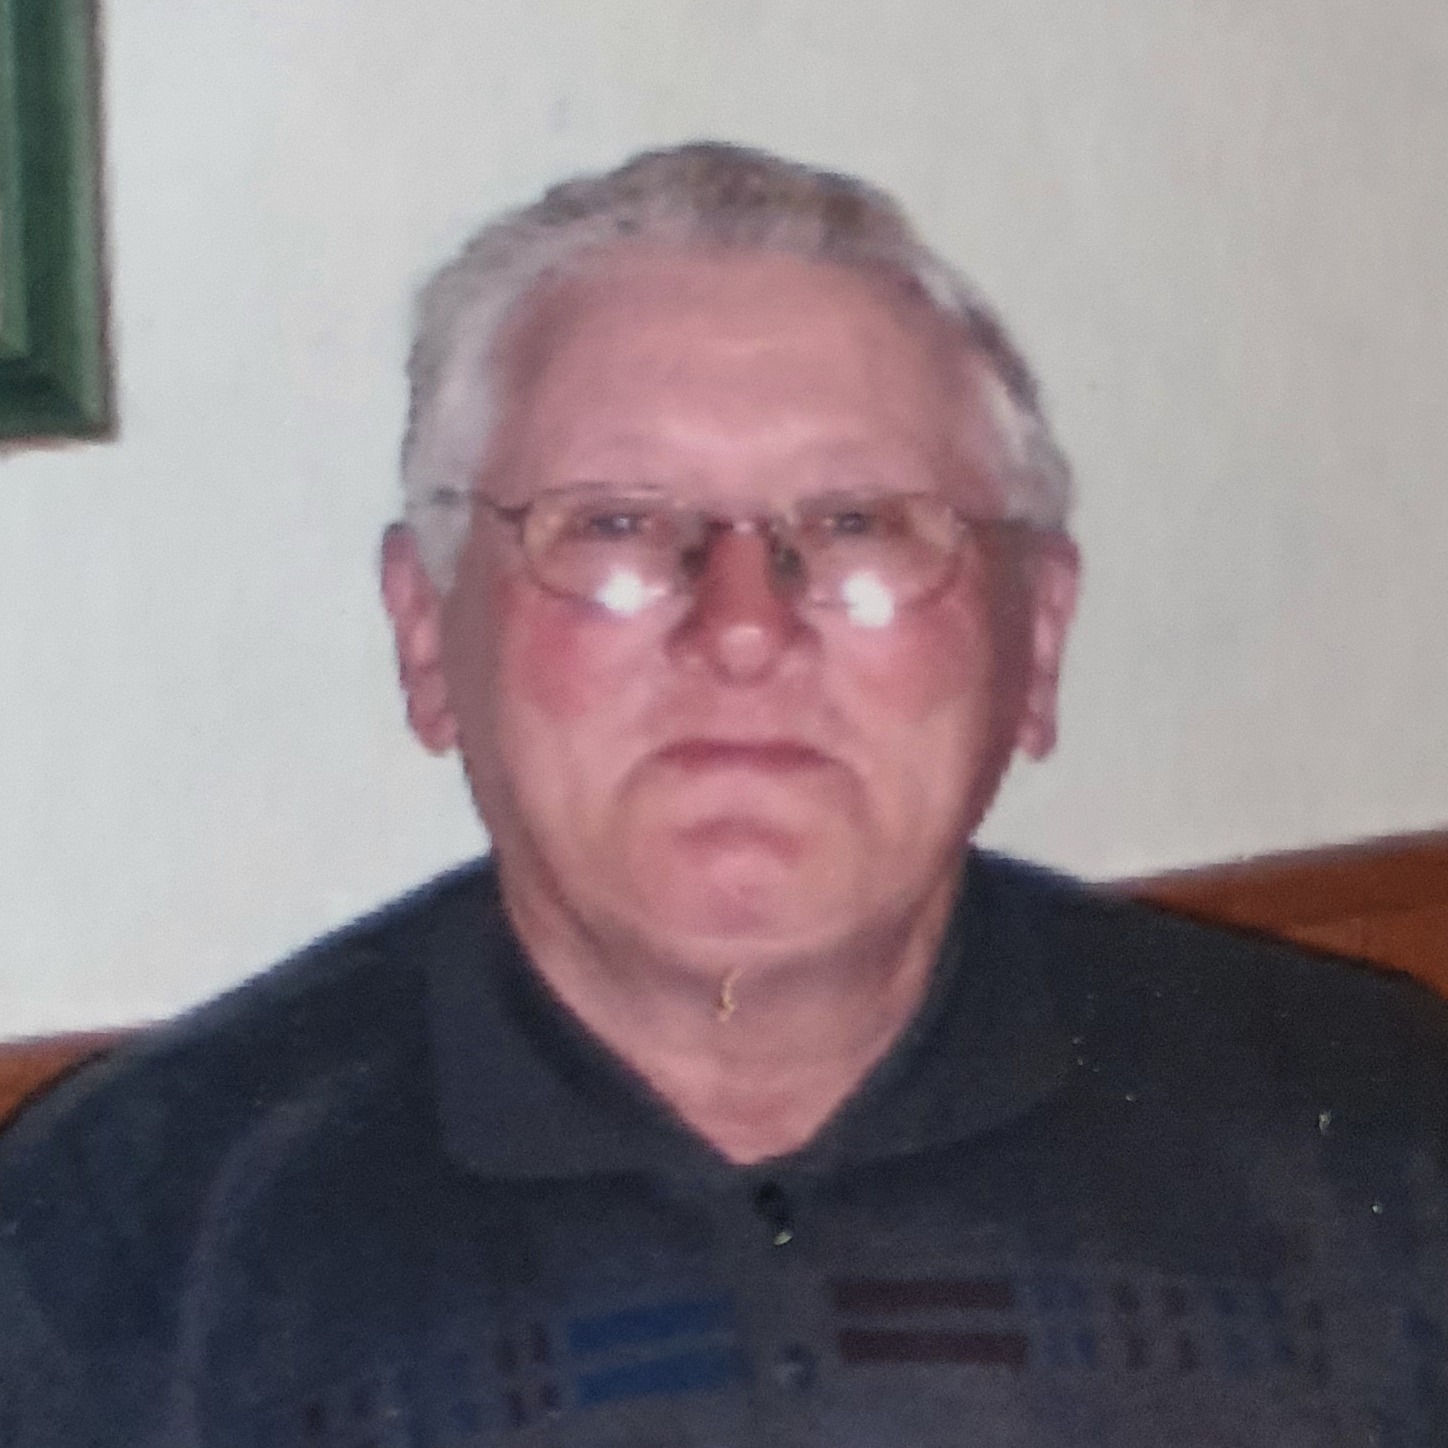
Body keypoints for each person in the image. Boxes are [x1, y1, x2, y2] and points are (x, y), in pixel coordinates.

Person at [2, 142, 1445, 1448]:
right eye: (617, 525)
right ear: (430, 637)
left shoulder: (1385, 1133)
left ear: (1039, 640)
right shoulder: (127, 1238)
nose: (745, 629)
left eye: (859, 523)